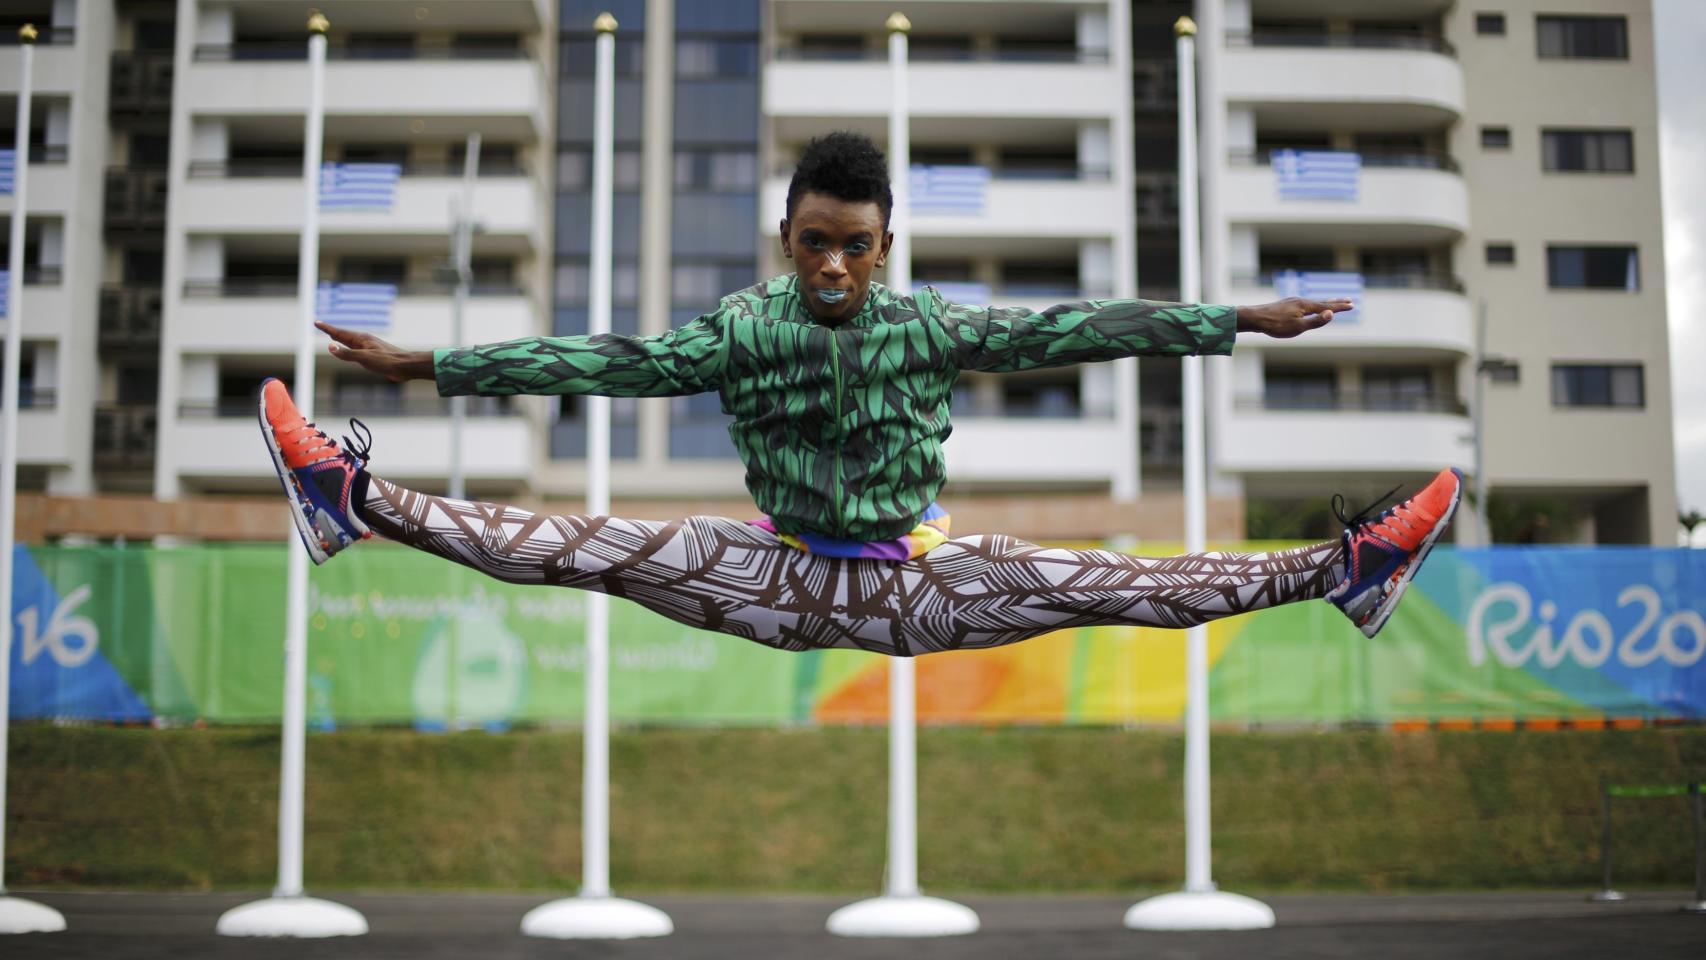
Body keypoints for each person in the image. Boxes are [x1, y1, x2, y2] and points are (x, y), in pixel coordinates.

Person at [258, 132, 1460, 656]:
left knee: (1124, 583)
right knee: (588, 543)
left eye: (855, 247)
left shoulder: (926, 325)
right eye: (813, 243)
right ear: (786, 235)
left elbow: (1074, 330)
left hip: (917, 579)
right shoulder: (743, 327)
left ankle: (1344, 571)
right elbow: (607, 362)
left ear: (885, 246)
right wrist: (431, 366)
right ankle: (344, 495)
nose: (832, 267)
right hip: (772, 572)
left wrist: (1235, 319)